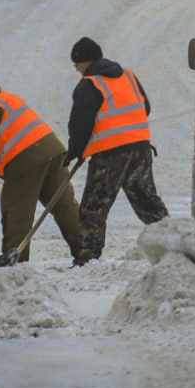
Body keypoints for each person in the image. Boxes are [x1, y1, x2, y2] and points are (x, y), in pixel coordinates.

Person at [0, 72, 81, 262]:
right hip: (53, 151)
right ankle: (86, 250)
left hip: (25, 160)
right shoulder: (4, 98)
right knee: (64, 206)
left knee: (16, 211)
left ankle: (15, 263)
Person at [65, 37, 168, 265]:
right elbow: (145, 107)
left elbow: (80, 124)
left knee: (94, 207)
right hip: (140, 148)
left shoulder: (89, 84)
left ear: (85, 62)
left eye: (77, 65)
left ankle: (87, 259)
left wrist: (74, 151)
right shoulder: (128, 75)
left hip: (110, 155)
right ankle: (175, 244)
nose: (78, 70)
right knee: (147, 201)